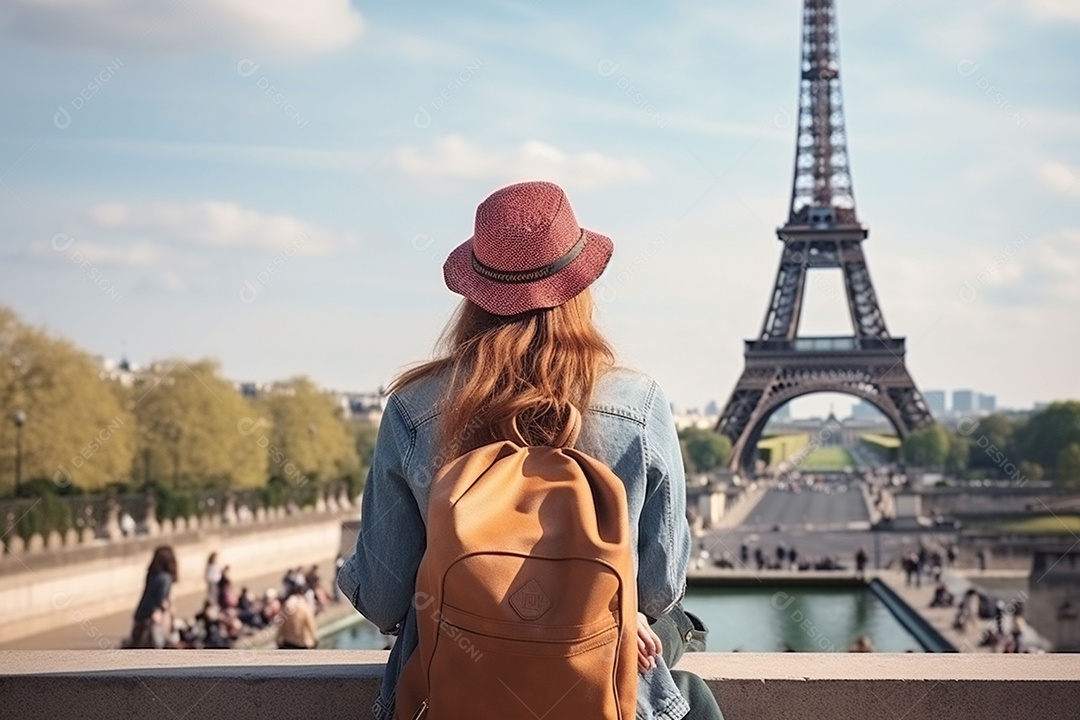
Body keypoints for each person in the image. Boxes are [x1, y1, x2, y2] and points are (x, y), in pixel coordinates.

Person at [338, 181, 721, 720]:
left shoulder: (412, 408)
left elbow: (381, 597)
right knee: (683, 630)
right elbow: (658, 591)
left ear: (474, 293)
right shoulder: (638, 403)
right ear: (580, 284)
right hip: (599, 689)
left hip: (453, 695)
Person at [129, 545, 177, 649]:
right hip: (152, 617)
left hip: (141, 613)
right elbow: (161, 599)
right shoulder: (165, 578)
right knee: (158, 646)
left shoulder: (152, 574)